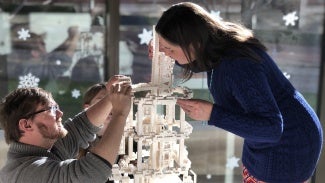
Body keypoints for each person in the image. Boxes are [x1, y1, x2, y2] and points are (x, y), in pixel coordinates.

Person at [152, 2, 323, 183]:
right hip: (274, 140)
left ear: (194, 43)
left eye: (169, 49)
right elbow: (198, 61)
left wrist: (212, 114)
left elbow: (271, 129)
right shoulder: (218, 46)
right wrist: (162, 49)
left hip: (288, 147)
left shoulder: (238, 66)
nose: (165, 53)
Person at [0, 75, 132, 183]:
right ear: (26, 125)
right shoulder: (27, 175)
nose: (60, 114)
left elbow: (81, 126)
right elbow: (92, 173)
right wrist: (120, 113)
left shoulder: (42, 150)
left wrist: (111, 97)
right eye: (51, 110)